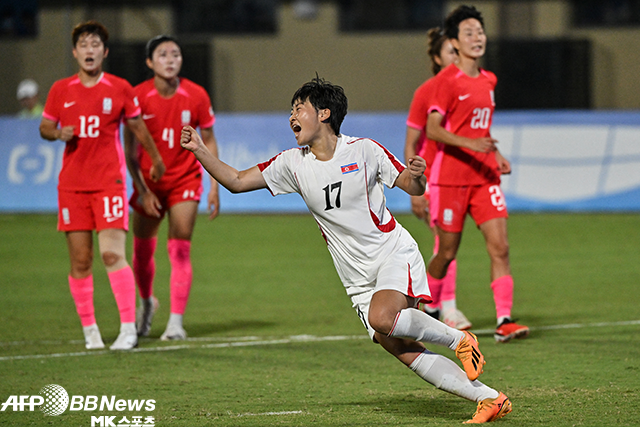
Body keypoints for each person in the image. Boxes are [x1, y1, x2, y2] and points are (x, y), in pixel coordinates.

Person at [180, 76, 512, 423]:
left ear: (324, 113)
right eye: (291, 110)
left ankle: (460, 338)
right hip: (355, 278)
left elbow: (411, 186)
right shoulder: (293, 163)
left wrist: (418, 176)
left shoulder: (364, 150)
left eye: (299, 108)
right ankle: (490, 398)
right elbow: (235, 181)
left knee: (383, 317)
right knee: (399, 347)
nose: (291, 116)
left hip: (391, 254)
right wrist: (200, 150)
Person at [39, 20, 166, 351]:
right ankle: (91, 331)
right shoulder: (60, 90)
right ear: (75, 52)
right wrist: (57, 133)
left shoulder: (120, 88)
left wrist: (156, 160)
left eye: (95, 44)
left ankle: (127, 328)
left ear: (104, 52)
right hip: (71, 187)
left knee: (112, 255)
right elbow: (44, 126)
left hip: (108, 183)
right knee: (81, 262)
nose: (90, 50)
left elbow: (138, 128)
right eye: (84, 44)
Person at [425, 5, 529, 343]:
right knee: (447, 252)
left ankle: (505, 320)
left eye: (480, 32)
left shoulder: (488, 80)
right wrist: (473, 144)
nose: (477, 37)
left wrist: (494, 153)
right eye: (468, 32)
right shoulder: (445, 82)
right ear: (455, 41)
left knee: (500, 247)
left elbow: (480, 127)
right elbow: (434, 130)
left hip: (484, 178)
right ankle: (426, 306)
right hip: (451, 179)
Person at [124, 35, 220, 341]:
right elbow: (128, 150)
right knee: (141, 251)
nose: (170, 59)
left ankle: (176, 322)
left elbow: (210, 138)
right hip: (149, 184)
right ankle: (147, 302)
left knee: (180, 246)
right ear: (150, 62)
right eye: (162, 54)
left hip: (185, 179)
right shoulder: (137, 96)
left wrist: (214, 185)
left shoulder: (197, 95)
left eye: (175, 54)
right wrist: (141, 189)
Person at [405, 28, 471, 330]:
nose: (457, 57)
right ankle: (448, 310)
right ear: (436, 57)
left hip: (458, 176)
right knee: (446, 242)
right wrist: (414, 189)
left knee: (446, 243)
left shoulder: (468, 89)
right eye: (451, 52)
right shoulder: (427, 91)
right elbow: (411, 143)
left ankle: (431, 305)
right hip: (433, 175)